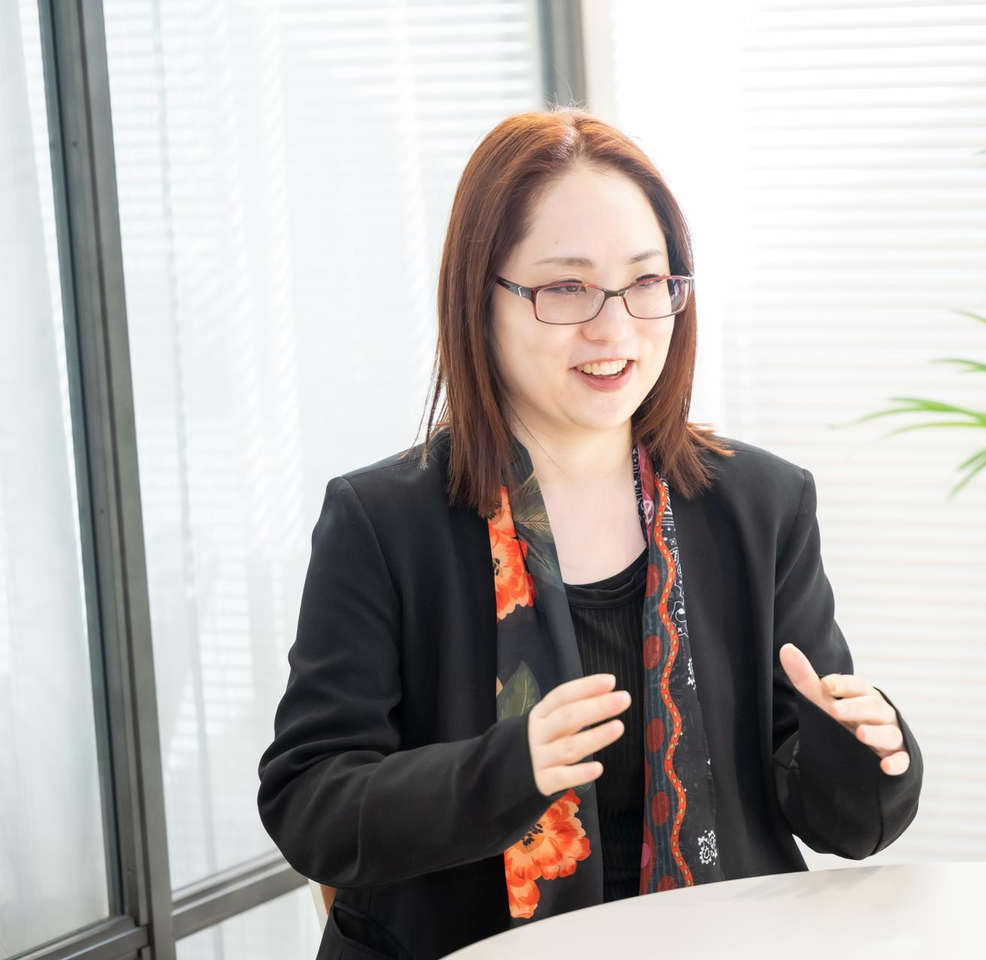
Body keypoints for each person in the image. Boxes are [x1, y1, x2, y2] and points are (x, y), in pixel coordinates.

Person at [256, 107, 923, 960]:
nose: (614, 329)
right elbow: (310, 804)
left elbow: (841, 820)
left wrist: (868, 750)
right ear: (480, 298)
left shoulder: (760, 504)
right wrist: (507, 771)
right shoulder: (383, 523)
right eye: (566, 288)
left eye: (647, 282)